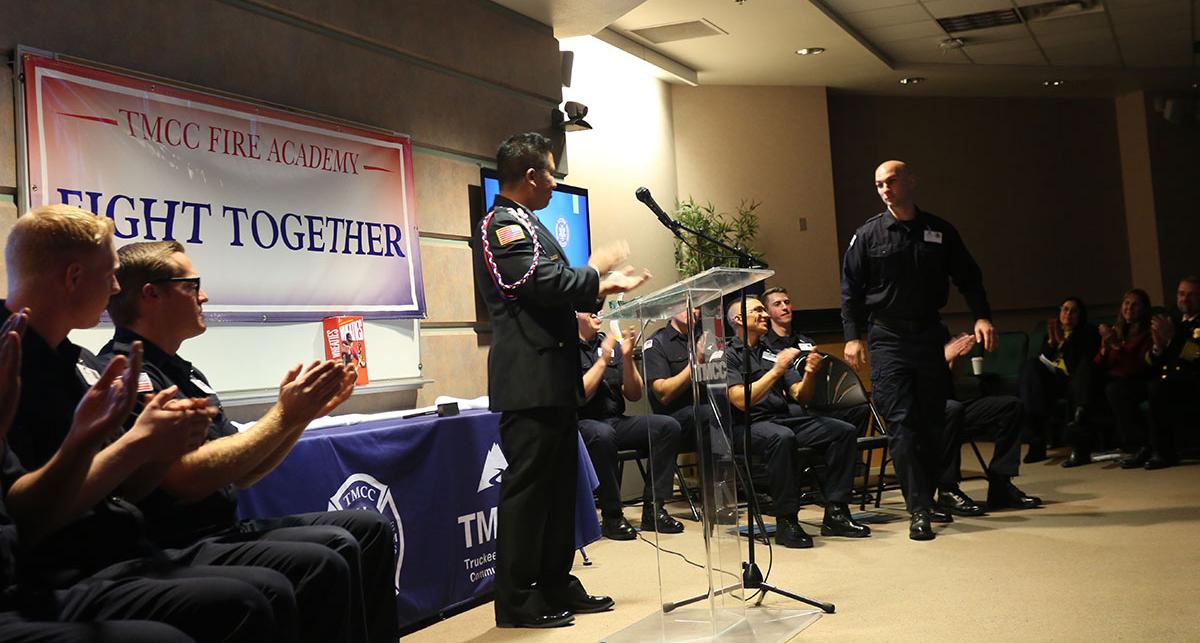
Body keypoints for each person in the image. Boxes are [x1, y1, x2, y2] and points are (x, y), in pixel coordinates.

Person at [1, 206, 299, 641]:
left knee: (325, 553)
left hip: (117, 552)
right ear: (73, 278)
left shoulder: (79, 364)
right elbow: (27, 514)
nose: (117, 288)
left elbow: (128, 487)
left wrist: (151, 449)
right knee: (252, 598)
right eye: (110, 276)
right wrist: (135, 446)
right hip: (62, 573)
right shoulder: (17, 362)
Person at [99, 240, 397, 642]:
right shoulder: (126, 375)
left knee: (370, 528)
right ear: (151, 294)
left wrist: (299, 417)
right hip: (175, 543)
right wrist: (284, 415)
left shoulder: (186, 373)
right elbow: (185, 478)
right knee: (331, 554)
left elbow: (244, 473)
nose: (203, 295)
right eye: (192, 285)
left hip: (221, 530)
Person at [471, 132, 651, 628]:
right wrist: (597, 272)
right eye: (551, 173)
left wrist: (596, 284)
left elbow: (556, 289)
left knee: (557, 492)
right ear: (531, 176)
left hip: (552, 378)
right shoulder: (500, 225)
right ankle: (517, 598)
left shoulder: (531, 224)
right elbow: (533, 283)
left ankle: (554, 582)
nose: (554, 182)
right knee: (528, 495)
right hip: (528, 381)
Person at [841, 160, 996, 541]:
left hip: (928, 335)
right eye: (878, 184)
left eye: (891, 181)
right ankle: (919, 510)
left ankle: (934, 494)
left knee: (932, 421)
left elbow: (969, 277)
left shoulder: (939, 231)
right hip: (888, 338)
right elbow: (850, 290)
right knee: (902, 426)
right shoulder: (868, 235)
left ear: (911, 181)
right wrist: (852, 335)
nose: (885, 189)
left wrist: (982, 317)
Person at [724, 297, 870, 549]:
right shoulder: (727, 355)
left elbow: (800, 394)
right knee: (781, 437)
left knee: (841, 432)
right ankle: (787, 520)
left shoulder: (771, 351)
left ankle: (836, 511)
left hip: (782, 418)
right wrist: (777, 370)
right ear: (738, 319)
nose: (764, 315)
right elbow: (739, 400)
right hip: (746, 425)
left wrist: (811, 374)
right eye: (758, 310)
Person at [575, 312, 684, 540]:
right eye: (589, 308)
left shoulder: (610, 343)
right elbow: (578, 396)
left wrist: (626, 358)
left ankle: (654, 509)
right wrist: (603, 360)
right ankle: (612, 516)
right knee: (603, 434)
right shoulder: (564, 349)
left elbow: (634, 394)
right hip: (581, 423)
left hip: (615, 420)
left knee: (667, 426)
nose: (597, 312)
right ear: (575, 313)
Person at [939, 333, 1041, 513]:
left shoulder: (938, 328)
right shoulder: (900, 333)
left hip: (952, 404)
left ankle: (1001, 485)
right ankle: (948, 490)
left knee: (1011, 406)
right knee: (952, 409)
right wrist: (943, 356)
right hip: (924, 410)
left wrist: (956, 358)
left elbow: (953, 379)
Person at [1063, 289, 1153, 468]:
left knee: (1111, 389)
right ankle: (1081, 439)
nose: (1129, 308)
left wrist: (1117, 347)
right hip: (1112, 376)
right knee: (1084, 374)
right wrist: (1105, 349)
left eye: (1135, 305)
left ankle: (1137, 446)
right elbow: (1100, 362)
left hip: (1134, 378)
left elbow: (1137, 366)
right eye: (1126, 303)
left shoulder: (1148, 332)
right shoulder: (1117, 329)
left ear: (1144, 309)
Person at [1017, 297, 1100, 463]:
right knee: (1031, 366)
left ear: (1080, 315)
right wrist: (1051, 343)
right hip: (1052, 381)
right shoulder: (1051, 332)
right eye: (1065, 309)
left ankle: (1066, 438)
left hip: (1076, 379)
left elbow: (1078, 365)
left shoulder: (1088, 332)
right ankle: (1036, 438)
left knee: (1081, 371)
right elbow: (1044, 362)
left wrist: (1063, 343)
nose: (1068, 314)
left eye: (1073, 311)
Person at [1141, 276, 1200, 469]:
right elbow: (1152, 360)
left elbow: (1196, 355)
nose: (1185, 299)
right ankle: (1144, 446)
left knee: (1158, 388)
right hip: (1170, 378)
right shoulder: (1171, 318)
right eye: (1181, 294)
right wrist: (1158, 346)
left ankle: (1164, 453)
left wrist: (1172, 338)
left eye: (1191, 295)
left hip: (1193, 379)